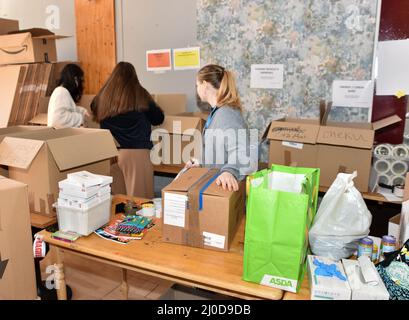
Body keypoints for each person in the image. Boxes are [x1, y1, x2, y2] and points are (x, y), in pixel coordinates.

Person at [91, 62, 164, 199]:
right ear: (133, 77)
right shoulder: (140, 95)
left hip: (112, 155)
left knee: (118, 203)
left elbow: (93, 108)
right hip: (138, 156)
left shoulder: (103, 97)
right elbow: (158, 118)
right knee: (140, 204)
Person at [187, 64, 257, 192]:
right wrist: (200, 163)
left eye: (197, 85)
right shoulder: (218, 112)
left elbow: (241, 150)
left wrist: (230, 171)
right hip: (213, 184)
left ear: (205, 85)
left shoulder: (227, 114)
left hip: (223, 188)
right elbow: (219, 148)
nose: (197, 89)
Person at [47, 64, 89, 129]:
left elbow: (68, 109)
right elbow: (57, 119)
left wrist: (82, 111)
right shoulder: (61, 92)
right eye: (81, 80)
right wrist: (80, 117)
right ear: (75, 79)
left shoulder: (61, 91)